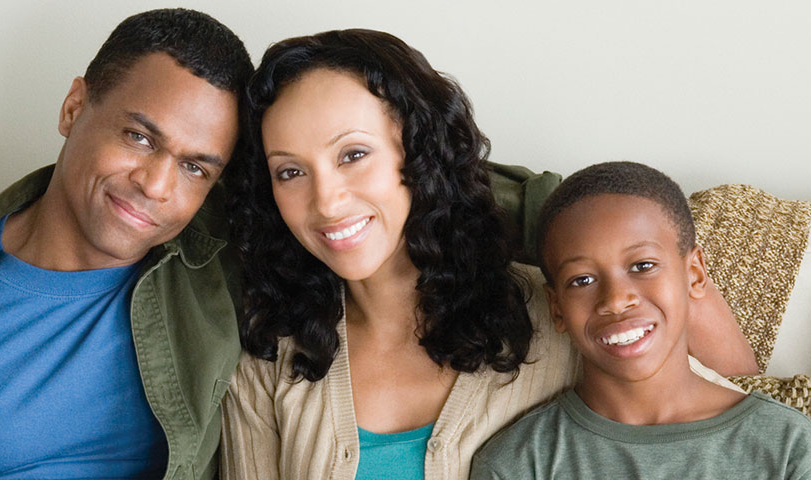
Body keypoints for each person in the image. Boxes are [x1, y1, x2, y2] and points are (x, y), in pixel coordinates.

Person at [220, 30, 757, 480]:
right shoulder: (269, 349)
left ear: (418, 151)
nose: (326, 201)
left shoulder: (558, 316)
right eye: (290, 171)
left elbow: (746, 426)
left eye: (353, 155)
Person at [0, 8, 252, 479]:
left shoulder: (228, 270)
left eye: (195, 168)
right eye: (138, 137)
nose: (156, 185)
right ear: (73, 108)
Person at [468, 162, 811, 479]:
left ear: (693, 274)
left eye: (642, 266)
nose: (615, 300)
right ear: (557, 308)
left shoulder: (785, 443)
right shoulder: (519, 463)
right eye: (582, 280)